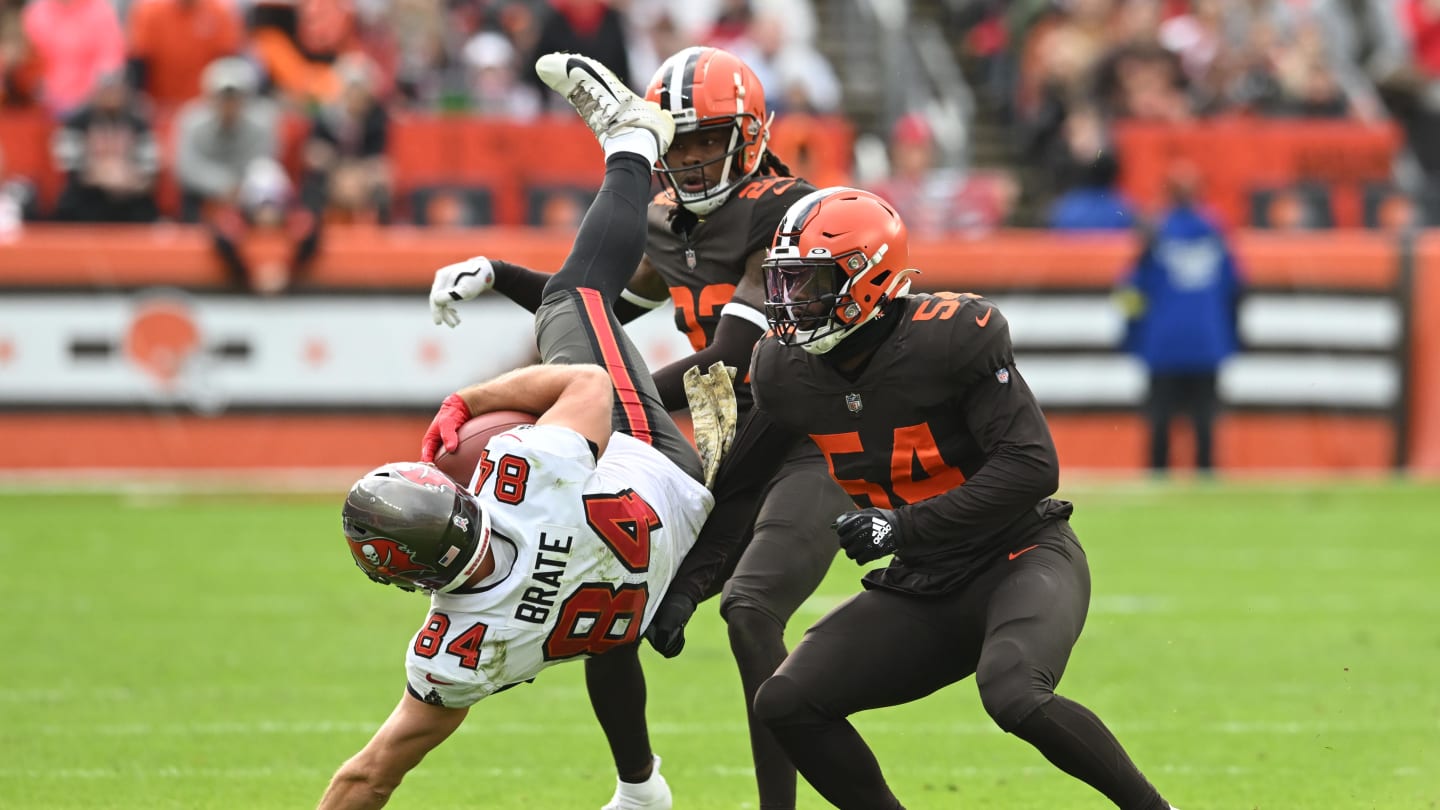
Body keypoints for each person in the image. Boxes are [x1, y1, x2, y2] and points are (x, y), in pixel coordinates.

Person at [428, 45, 855, 810]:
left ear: (749, 136)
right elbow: (609, 309)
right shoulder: (667, 226)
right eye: (678, 142)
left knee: (752, 614)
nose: (690, 159)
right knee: (608, 584)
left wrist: (591, 397)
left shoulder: (788, 212)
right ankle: (638, 789)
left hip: (809, 443)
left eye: (704, 140)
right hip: (726, 439)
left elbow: (733, 356)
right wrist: (502, 275)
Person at [318, 53, 712, 810]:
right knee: (573, 293)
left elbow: (368, 776)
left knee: (606, 637)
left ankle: (641, 790)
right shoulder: (520, 476)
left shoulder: (456, 658)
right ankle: (633, 141)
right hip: (663, 477)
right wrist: (467, 398)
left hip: (627, 589)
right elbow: (587, 384)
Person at [740, 186, 1178, 810]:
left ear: (869, 278)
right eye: (785, 283)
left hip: (1018, 557)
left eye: (810, 284)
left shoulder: (947, 339)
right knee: (786, 701)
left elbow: (1032, 467)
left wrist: (901, 527)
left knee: (1014, 694)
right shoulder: (783, 372)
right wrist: (679, 583)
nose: (792, 304)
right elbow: (743, 480)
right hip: (923, 585)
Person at [1117, 164, 1243, 474]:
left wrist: (1130, 335)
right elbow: (1236, 287)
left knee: (1160, 421)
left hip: (1162, 344)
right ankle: (1205, 483)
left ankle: (1158, 480)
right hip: (1207, 342)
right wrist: (1231, 336)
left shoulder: (1154, 233)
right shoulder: (1216, 231)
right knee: (1204, 422)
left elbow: (1131, 291)